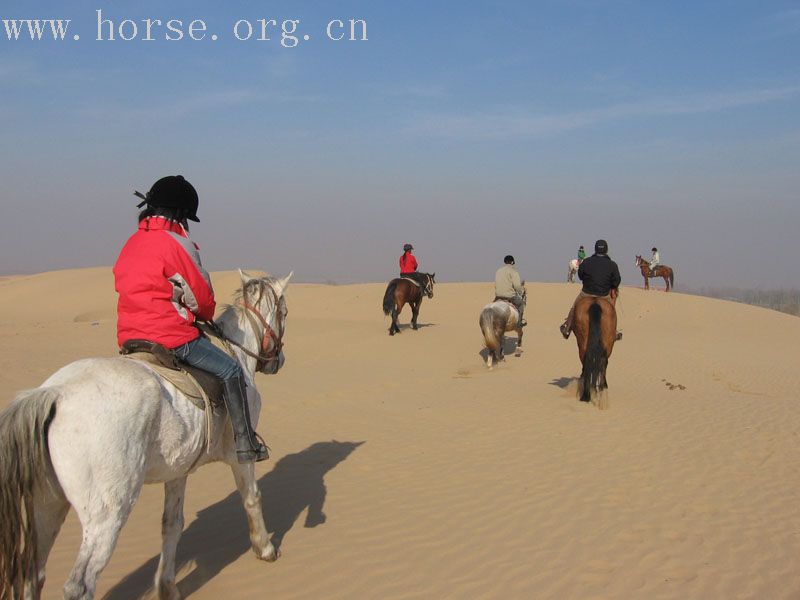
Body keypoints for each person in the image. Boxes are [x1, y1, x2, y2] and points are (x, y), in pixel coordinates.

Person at [114, 175, 268, 463]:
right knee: (232, 370)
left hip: (130, 337)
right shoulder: (177, 244)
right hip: (171, 337)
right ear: (181, 214)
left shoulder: (132, 242)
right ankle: (246, 443)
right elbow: (203, 302)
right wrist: (197, 312)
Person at [560, 239, 621, 339]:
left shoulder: (587, 262)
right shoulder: (612, 265)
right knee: (612, 311)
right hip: (604, 295)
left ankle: (567, 327)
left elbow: (580, 275)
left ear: (595, 249)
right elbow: (617, 281)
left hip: (586, 293)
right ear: (606, 250)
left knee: (575, 306)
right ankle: (614, 331)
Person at [495, 255, 527, 326]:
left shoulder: (498, 271)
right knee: (521, 304)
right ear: (512, 262)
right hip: (509, 296)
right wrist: (520, 292)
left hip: (498, 296)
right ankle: (519, 322)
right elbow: (517, 286)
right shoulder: (513, 271)